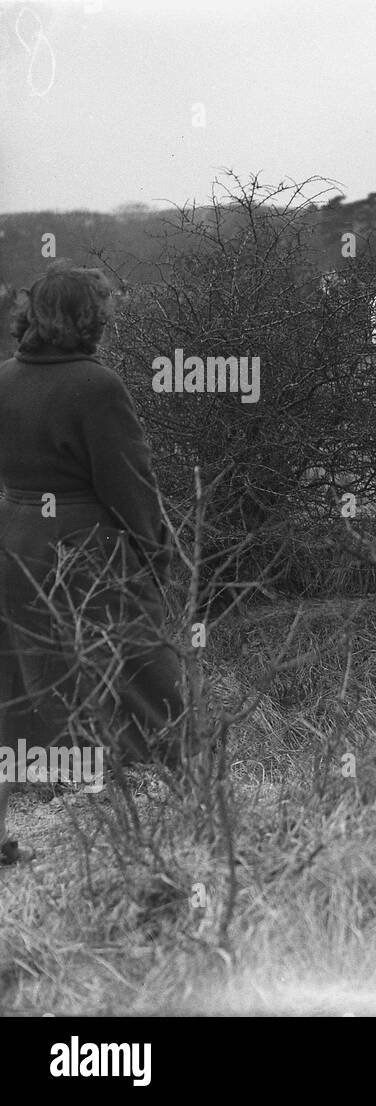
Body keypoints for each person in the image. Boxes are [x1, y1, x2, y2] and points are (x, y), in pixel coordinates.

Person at [0, 264, 185, 865]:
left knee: (17, 686)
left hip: (13, 545)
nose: (109, 315)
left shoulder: (3, 379)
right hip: (86, 549)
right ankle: (200, 811)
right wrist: (159, 552)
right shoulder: (95, 386)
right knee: (146, 673)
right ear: (88, 317)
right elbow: (128, 482)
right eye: (102, 307)